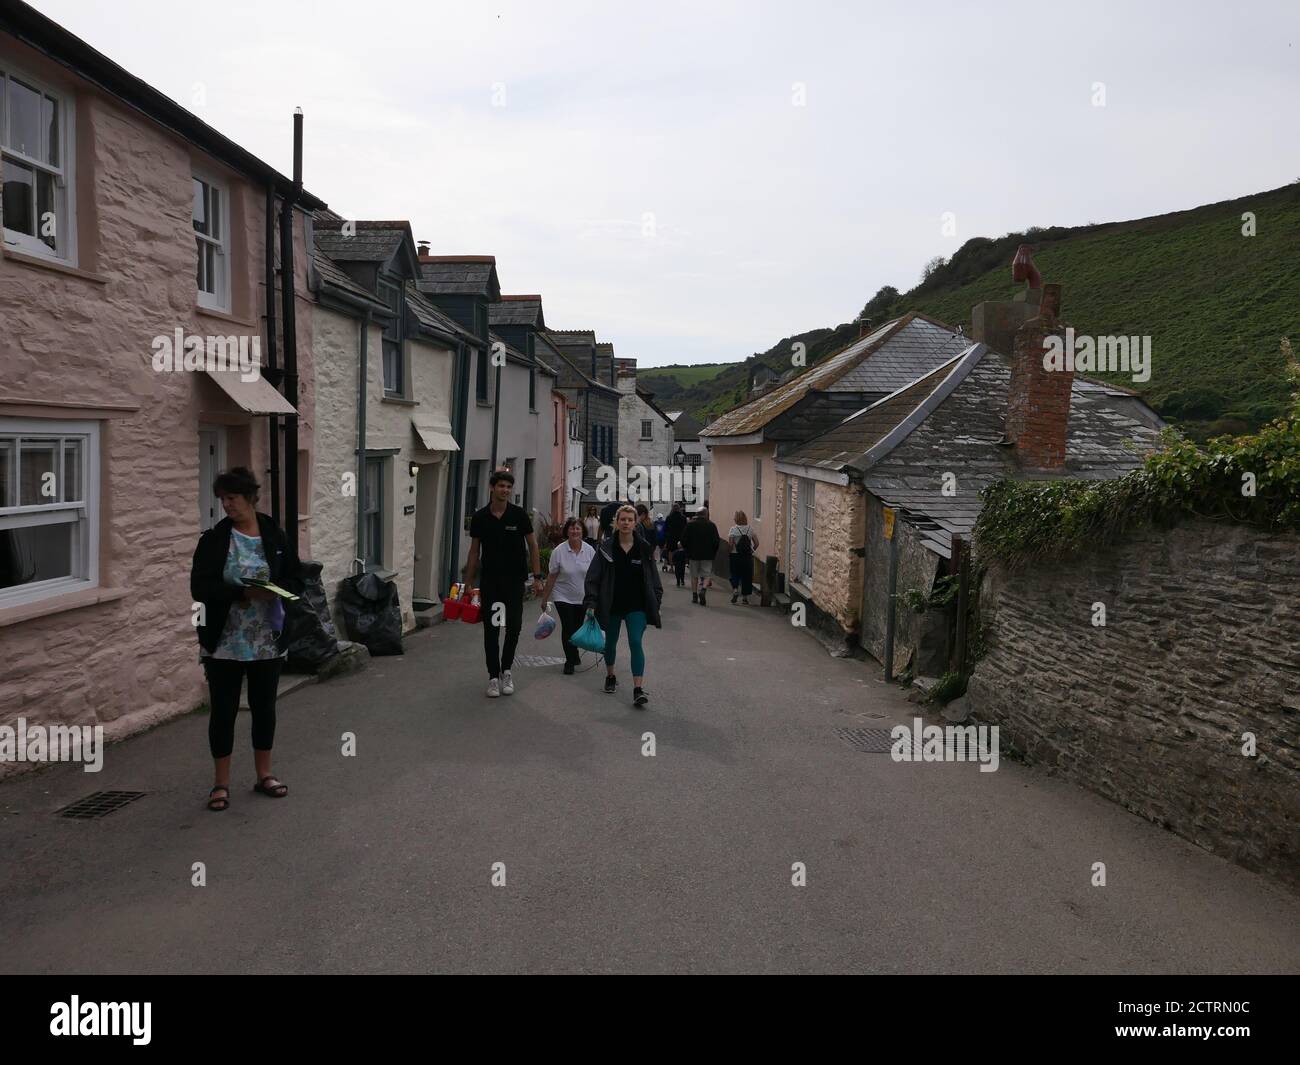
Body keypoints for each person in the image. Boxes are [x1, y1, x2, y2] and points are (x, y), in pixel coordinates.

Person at [190, 467, 301, 812]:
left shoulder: (275, 535)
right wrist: (241, 592)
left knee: (264, 708)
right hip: (224, 641)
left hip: (266, 639)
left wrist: (277, 594)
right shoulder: (214, 539)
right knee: (223, 711)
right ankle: (220, 783)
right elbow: (200, 587)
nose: (227, 505)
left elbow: (296, 578)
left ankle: (264, 774)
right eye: (222, 499)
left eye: (233, 498)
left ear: (250, 497)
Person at [466, 469, 545, 698]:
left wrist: (538, 577)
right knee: (491, 629)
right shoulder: (480, 517)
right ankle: (493, 676)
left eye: (509, 487)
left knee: (514, 626)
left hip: (514, 581)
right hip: (490, 582)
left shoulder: (519, 515)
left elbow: (533, 546)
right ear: (492, 488)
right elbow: (474, 552)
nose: (505, 490)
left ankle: (506, 670)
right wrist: (468, 583)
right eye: (501, 486)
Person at [584, 505, 662, 707]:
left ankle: (638, 689)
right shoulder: (606, 548)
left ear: (635, 522)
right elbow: (593, 577)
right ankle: (610, 675)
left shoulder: (644, 548)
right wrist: (591, 602)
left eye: (630, 519)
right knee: (610, 643)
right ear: (616, 522)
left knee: (635, 642)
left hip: (637, 605)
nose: (626, 522)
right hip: (612, 605)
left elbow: (654, 579)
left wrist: (656, 601)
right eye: (623, 519)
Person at [539, 517, 595, 674]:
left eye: (578, 528)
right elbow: (551, 576)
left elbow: (595, 576)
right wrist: (545, 598)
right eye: (572, 528)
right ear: (567, 531)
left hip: (582, 596)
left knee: (577, 628)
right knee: (568, 627)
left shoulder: (590, 550)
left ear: (582, 531)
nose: (575, 531)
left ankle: (574, 652)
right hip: (562, 595)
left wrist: (596, 598)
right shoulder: (559, 551)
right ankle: (569, 661)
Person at [682, 506, 721, 606]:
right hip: (707, 555)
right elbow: (716, 542)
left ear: (697, 514)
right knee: (707, 575)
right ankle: (703, 589)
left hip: (693, 555)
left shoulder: (690, 525)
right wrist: (713, 553)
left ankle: (694, 596)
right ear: (706, 514)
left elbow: (684, 540)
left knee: (694, 576)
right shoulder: (712, 525)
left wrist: (687, 550)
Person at [727, 510, 759, 605]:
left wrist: (729, 552)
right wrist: (752, 550)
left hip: (735, 555)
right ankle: (745, 598)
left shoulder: (733, 529)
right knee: (746, 576)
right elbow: (757, 543)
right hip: (747, 556)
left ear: (736, 519)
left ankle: (735, 590)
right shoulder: (750, 529)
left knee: (734, 573)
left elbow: (731, 544)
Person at [664, 500, 687, 572]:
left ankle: (671, 567)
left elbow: (666, 528)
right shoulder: (683, 518)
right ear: (679, 509)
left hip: (671, 537)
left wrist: (666, 538)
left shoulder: (669, 517)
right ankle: (679, 567)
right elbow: (685, 528)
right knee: (680, 552)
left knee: (671, 552)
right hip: (680, 538)